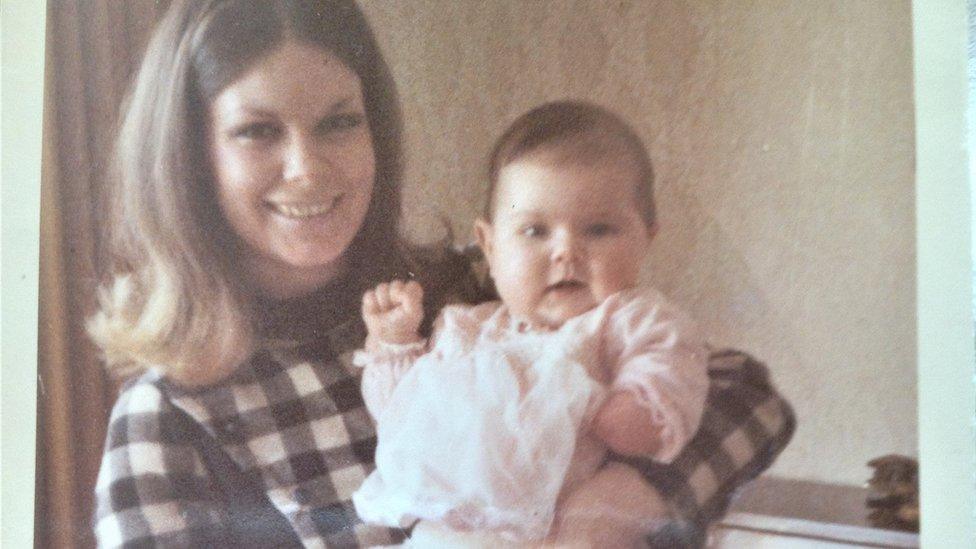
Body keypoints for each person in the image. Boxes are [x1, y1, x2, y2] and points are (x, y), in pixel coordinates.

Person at [88, 1, 795, 547]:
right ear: (190, 159)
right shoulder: (170, 421)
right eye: (257, 130)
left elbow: (748, 398)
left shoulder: (461, 300)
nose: (308, 168)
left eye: (339, 122)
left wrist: (601, 514)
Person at [352, 101, 709, 546]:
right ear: (489, 245)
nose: (565, 252)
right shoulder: (467, 331)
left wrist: (640, 409)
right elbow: (402, 418)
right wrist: (395, 344)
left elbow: (672, 367)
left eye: (598, 230)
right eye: (535, 231)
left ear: (645, 240)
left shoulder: (625, 320)